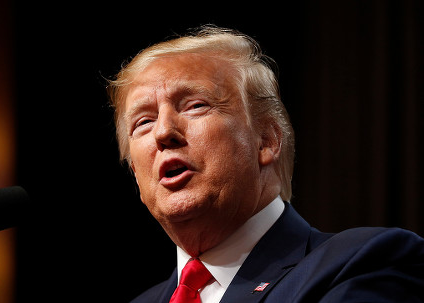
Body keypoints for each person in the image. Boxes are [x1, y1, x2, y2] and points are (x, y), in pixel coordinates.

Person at [107, 25, 424, 303]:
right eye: (143, 122)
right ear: (135, 170)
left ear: (267, 141)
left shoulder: (362, 263)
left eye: (195, 105)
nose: (163, 132)